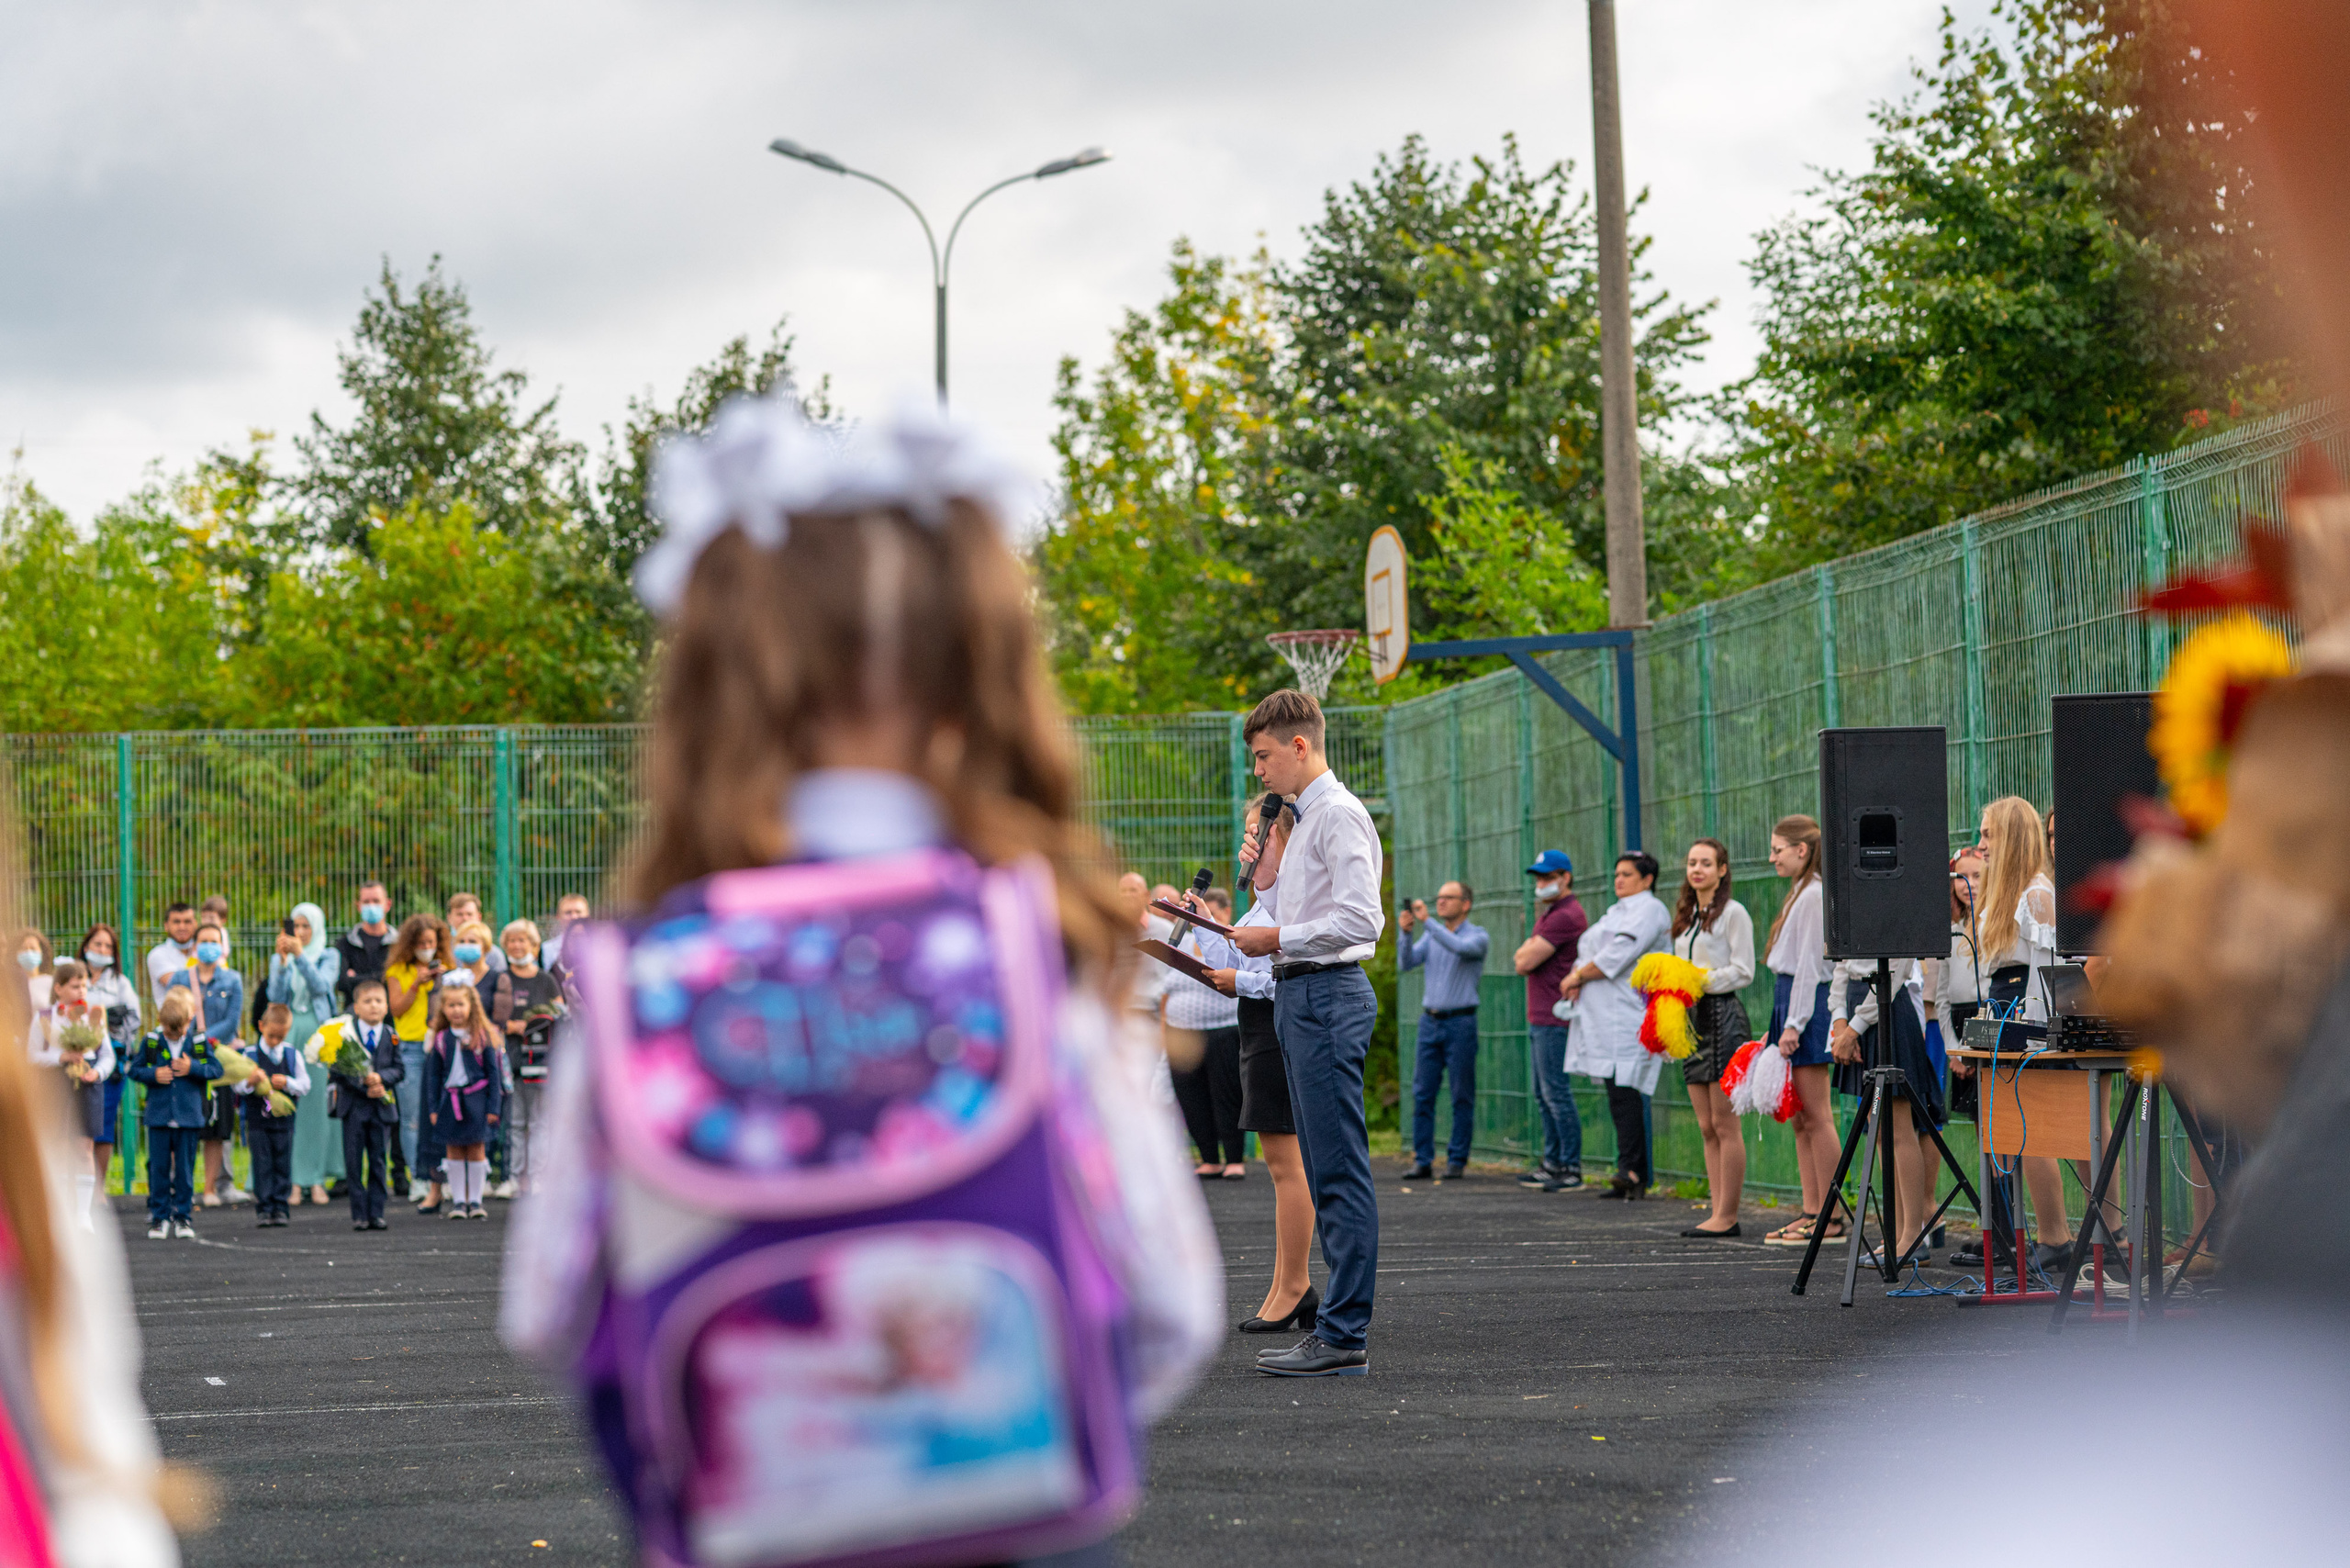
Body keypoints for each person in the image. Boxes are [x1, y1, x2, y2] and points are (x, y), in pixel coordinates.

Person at [499, 395, 1218, 1566]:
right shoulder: (1022, 951)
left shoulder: (647, 979)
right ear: (971, 677)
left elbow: (545, 1307)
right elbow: (1169, 1305)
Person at [0, 915, 184, 1565]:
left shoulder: (26, 1194)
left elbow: (89, 1428)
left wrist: (86, 1058)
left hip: (73, 1105)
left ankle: (90, 1201)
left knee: (83, 1155)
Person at [1231, 688, 1383, 1378]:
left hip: (1326, 991)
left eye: (1263, 757)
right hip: (1300, 994)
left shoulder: (1338, 816)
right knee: (1325, 1168)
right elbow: (1282, 914)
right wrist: (1259, 891)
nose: (1258, 772)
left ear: (1300, 746)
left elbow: (1362, 923)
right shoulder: (1300, 820)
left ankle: (1343, 1332)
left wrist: (1279, 935)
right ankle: (1335, 1328)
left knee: (1338, 1169)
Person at [1974, 794, 2073, 1276]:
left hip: (2025, 1016)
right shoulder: (2008, 893)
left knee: (2035, 1134)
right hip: (2002, 1011)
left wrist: (2035, 1032)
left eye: (1988, 833)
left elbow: (2045, 970)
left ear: (2011, 836)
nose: (1981, 844)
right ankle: (2029, 1235)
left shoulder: (2037, 894)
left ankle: (2055, 1236)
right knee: (2007, 1134)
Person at [1560, 851, 1673, 1199]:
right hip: (1603, 1016)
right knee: (1615, 1089)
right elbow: (1593, 950)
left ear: (1647, 879)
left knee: (1628, 1089)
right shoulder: (1616, 911)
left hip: (1628, 1014)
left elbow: (1615, 957)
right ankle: (1627, 1167)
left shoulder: (1650, 910)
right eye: (1616, 874)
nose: (1618, 880)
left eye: (1626, 874)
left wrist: (1578, 974)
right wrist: (1579, 975)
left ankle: (1635, 1171)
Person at [1826, 955, 1942, 1264]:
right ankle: (1895, 1235)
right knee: (1880, 1133)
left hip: (1885, 1011)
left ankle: (1912, 1237)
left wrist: (1853, 1028)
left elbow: (1896, 971)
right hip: (1856, 1013)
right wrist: (1840, 1021)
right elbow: (1841, 965)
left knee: (1900, 1129)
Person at [1671, 838, 1755, 1238]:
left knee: (1725, 1123)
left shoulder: (1733, 913)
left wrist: (1698, 980)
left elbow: (1744, 970)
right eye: (1692, 863)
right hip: (1690, 1018)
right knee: (1705, 1125)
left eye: (1706, 863)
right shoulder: (1687, 915)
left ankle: (1729, 1213)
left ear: (1722, 869)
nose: (1697, 869)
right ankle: (1717, 1210)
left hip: (1722, 1016)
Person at [1762, 815, 1840, 1248]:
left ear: (1802, 850)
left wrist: (1794, 1023)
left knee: (1817, 1113)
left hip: (1804, 1004)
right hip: (1788, 997)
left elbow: (1811, 965)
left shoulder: (1813, 894)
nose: (1772, 857)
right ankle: (1812, 1210)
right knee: (1799, 1118)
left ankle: (1829, 1216)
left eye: (1778, 849)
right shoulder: (1798, 892)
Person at [1398, 881, 1490, 1181]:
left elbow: (1459, 947)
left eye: (1448, 898)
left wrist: (1427, 923)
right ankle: (1423, 1159)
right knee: (1422, 1093)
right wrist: (1407, 932)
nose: (1441, 902)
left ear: (1466, 904)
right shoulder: (1433, 936)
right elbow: (1408, 961)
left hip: (1460, 1022)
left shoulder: (1477, 936)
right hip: (1430, 1021)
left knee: (1461, 1094)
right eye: (1438, 898)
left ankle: (1457, 1159)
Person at [1514, 849, 1587, 1193]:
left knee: (1555, 1092)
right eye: (1539, 878)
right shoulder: (1551, 913)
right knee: (1544, 1094)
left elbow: (1524, 960)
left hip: (1554, 1015)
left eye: (1547, 877)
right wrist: (1526, 951)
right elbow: (1522, 957)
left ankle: (1570, 1166)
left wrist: (1526, 950)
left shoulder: (1565, 916)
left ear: (1565, 877)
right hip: (1541, 1014)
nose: (1541, 884)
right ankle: (1553, 1161)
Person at [164, 919, 247, 1209]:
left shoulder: (232, 980)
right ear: (195, 946)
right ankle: (177, 1185)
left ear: (222, 947)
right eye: (204, 942)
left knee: (216, 1127)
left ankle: (210, 1188)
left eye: (215, 942)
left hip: (217, 1059)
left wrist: (202, 1042)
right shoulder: (179, 979)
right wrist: (189, 1045)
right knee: (183, 1124)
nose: (209, 947)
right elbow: (171, 1016)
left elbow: (231, 1022)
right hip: (184, 1061)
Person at [1166, 888, 1247, 1180]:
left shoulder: (1236, 941)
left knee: (1226, 1095)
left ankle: (1235, 1158)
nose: (1204, 918)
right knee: (1191, 1098)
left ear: (1225, 913)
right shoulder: (1180, 942)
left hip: (1222, 1029)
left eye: (1211, 912)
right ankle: (1209, 1157)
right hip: (1182, 1031)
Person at [127, 988, 219, 1239]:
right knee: (158, 1168)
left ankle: (183, 1216)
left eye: (179, 1032)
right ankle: (159, 1218)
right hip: (159, 1117)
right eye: (169, 1031)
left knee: (185, 1171)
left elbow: (216, 1070)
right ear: (161, 1023)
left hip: (188, 1118)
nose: (175, 1036)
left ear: (189, 1022)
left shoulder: (198, 1043)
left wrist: (193, 1067)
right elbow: (133, 1070)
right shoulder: (152, 1042)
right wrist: (153, 1075)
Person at [267, 902, 343, 1206]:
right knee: (289, 1106)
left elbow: (321, 987)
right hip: (289, 1032)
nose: (299, 932)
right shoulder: (282, 957)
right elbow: (275, 997)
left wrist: (300, 956)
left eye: (305, 926)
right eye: (294, 926)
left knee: (316, 1109)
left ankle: (317, 1178)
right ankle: (294, 1180)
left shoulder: (329, 955)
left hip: (318, 1035)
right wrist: (282, 962)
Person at [27, 960, 114, 1226]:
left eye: (84, 986)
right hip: (56, 1084)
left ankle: (83, 1214)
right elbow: (31, 1055)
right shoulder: (44, 1017)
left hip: (87, 1084)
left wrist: (96, 1073)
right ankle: (62, 1212)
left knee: (83, 1146)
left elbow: (108, 1056)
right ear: (59, 988)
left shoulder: (94, 1016)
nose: (81, 991)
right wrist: (61, 1057)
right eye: (75, 986)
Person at [489, 919, 564, 1194]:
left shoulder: (546, 980)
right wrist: (512, 1027)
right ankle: (515, 1178)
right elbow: (492, 1018)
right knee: (515, 1122)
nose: (518, 946)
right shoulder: (502, 979)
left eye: (524, 941)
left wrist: (537, 1024)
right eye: (512, 941)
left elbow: (559, 1013)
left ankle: (539, 1178)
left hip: (541, 1061)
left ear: (534, 945)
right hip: (511, 1058)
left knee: (540, 1123)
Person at [325, 977, 403, 1231]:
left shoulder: (391, 1035)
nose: (374, 1006)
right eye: (367, 1001)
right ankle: (359, 1214)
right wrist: (362, 1083)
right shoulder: (346, 1035)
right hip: (354, 1108)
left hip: (381, 1110)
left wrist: (381, 1079)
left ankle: (377, 1212)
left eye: (379, 1001)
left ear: (387, 1005)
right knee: (354, 1162)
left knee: (379, 1161)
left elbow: (399, 1069)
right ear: (356, 1007)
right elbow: (337, 1069)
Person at [421, 983, 504, 1221]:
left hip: (476, 1100)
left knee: (477, 1148)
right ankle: (458, 1201)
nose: (456, 1010)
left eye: (461, 1004)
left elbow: (494, 1075)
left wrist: (493, 1107)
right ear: (443, 1009)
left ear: (471, 1006)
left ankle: (475, 1201)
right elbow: (434, 1077)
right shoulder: (440, 1039)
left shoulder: (482, 1036)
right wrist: (434, 1107)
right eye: (451, 1005)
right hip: (450, 1101)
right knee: (453, 1149)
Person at [381, 913, 445, 1204]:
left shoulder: (449, 968)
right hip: (410, 1047)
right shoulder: (398, 970)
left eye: (431, 942)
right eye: (421, 943)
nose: (426, 948)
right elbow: (396, 1009)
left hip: (443, 1045)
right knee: (412, 1120)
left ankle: (443, 1177)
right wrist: (416, 984)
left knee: (443, 1114)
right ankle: (418, 1177)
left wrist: (442, 979)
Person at [75, 924, 141, 1204]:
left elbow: (134, 1018)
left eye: (107, 946)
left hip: (109, 1062)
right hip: (75, 1059)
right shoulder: (74, 975)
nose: (102, 950)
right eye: (97, 944)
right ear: (86, 946)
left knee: (101, 1125)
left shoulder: (120, 983)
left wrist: (112, 1024)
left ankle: (98, 1188)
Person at [236, 1002, 308, 1227]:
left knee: (282, 1162)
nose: (275, 1041)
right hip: (257, 1121)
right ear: (261, 1026)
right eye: (271, 1036)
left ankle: (280, 1207)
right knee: (262, 1163)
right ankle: (264, 1208)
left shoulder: (292, 1054)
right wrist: (251, 1082)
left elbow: (305, 1084)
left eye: (281, 1036)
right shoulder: (248, 1054)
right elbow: (237, 1087)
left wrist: (288, 1083)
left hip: (284, 1122)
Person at [332, 880, 394, 1011]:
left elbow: (400, 981)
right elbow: (341, 983)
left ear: (388, 904)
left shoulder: (398, 944)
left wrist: (356, 978)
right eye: (366, 902)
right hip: (354, 1016)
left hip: (392, 1016)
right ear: (358, 906)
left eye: (376, 901)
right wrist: (383, 976)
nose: (371, 906)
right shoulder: (345, 943)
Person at [143, 902, 195, 1011]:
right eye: (176, 922)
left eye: (187, 921)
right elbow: (179, 985)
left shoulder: (203, 951)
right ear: (166, 926)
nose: (182, 927)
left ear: (195, 924)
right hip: (174, 1024)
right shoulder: (158, 954)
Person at [444, 893, 508, 973]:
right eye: (459, 914)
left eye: (469, 914)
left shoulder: (493, 954)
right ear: (449, 918)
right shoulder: (442, 951)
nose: (465, 918)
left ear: (479, 917)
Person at [538, 891, 589, 973]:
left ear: (587, 914)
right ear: (558, 916)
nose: (574, 917)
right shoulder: (546, 950)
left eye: (578, 912)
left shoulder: (601, 947)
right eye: (568, 913)